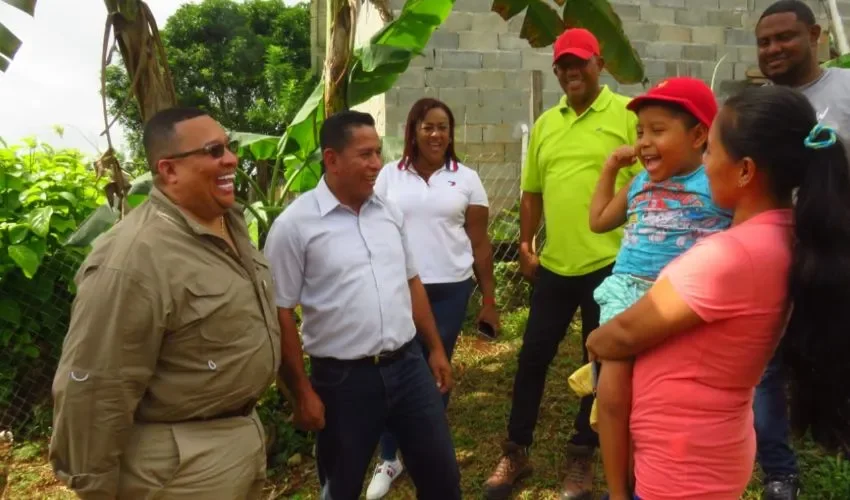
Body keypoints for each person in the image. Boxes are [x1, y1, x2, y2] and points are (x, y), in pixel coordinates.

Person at [586, 85, 850, 500]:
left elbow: (618, 337)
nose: (704, 166)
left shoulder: (729, 258)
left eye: (710, 150)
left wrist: (595, 339)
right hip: (701, 454)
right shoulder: (781, 238)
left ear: (745, 171)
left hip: (681, 474)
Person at [49, 107, 281, 499]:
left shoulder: (231, 225)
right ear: (169, 170)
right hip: (178, 469)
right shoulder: (132, 258)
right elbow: (93, 389)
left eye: (229, 146)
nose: (231, 159)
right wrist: (95, 488)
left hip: (239, 443)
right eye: (212, 150)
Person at [264, 110, 461, 499]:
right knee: (341, 487)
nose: (377, 165)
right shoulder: (294, 226)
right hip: (343, 381)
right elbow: (280, 312)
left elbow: (411, 281)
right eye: (365, 154)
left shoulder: (388, 212)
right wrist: (300, 390)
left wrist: (435, 348)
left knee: (442, 478)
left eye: (378, 153)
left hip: (408, 367)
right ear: (332, 159)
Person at [483, 27, 642, 500]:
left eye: (580, 62)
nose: (571, 71)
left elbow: (649, 178)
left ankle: (582, 453)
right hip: (554, 266)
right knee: (532, 357)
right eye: (563, 65)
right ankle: (516, 450)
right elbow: (531, 190)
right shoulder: (547, 122)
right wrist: (527, 244)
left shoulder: (627, 115)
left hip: (609, 266)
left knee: (597, 363)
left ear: (600, 64)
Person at [586, 77, 731, 499]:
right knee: (613, 392)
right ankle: (618, 491)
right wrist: (612, 168)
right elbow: (597, 222)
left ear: (699, 135)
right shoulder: (638, 185)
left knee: (664, 401)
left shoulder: (717, 183)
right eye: (640, 132)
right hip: (629, 289)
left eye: (657, 130)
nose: (644, 142)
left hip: (682, 297)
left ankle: (656, 476)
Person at [365, 97, 499, 499]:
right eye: (428, 127)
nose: (437, 134)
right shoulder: (390, 175)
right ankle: (389, 456)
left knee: (433, 370)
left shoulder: (467, 178)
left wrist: (489, 300)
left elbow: (479, 244)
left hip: (449, 290)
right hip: (399, 287)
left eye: (443, 127)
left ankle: (426, 449)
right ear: (414, 131)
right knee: (395, 368)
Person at [755, 2, 850, 496]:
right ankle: (779, 471)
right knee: (768, 360)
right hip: (772, 256)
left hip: (838, 257)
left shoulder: (846, 90)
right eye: (764, 41)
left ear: (816, 35)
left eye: (785, 38)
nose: (773, 49)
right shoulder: (761, 108)